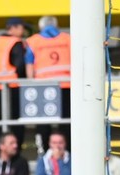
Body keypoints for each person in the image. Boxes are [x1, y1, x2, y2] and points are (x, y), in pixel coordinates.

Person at [26, 16, 72, 151]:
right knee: (67, 122)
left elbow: (29, 66)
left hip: (42, 88)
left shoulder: (33, 41)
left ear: (41, 27)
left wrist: (31, 85)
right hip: (66, 86)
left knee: (43, 123)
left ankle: (44, 151)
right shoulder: (68, 39)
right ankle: (68, 151)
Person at [0, 17, 28, 152]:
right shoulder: (15, 43)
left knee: (2, 121)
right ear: (14, 27)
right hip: (13, 86)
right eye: (22, 27)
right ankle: (15, 151)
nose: (23, 30)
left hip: (0, 87)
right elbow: (20, 65)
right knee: (16, 122)